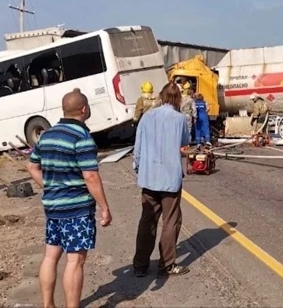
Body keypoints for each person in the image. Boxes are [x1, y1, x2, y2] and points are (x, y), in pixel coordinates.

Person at [27, 88, 112, 308]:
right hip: (76, 209)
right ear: (84, 109)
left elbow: (31, 166)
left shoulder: (47, 135)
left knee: (50, 256)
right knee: (75, 261)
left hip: (53, 207)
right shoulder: (82, 137)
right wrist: (104, 207)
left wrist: (48, 186)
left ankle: (48, 305)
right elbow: (91, 177)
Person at [132, 82, 191, 278]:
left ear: (161, 95)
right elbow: (184, 143)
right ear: (178, 99)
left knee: (147, 220)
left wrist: (139, 168)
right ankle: (166, 265)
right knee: (170, 221)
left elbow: (137, 147)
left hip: (148, 177)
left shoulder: (147, 116)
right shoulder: (180, 119)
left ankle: (140, 265)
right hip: (170, 179)